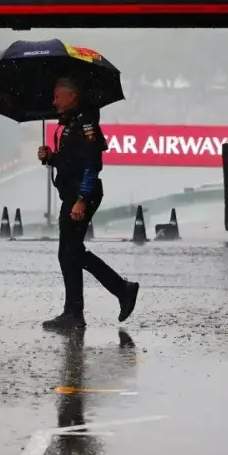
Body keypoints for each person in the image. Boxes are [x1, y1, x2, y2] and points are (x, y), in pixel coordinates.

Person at [37, 76, 139, 331]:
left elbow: (93, 164)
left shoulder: (86, 123)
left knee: (71, 252)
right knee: (69, 253)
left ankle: (114, 293)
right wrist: (51, 157)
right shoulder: (71, 122)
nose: (54, 102)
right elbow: (71, 160)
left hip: (83, 194)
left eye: (58, 97)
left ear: (71, 96)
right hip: (72, 193)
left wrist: (82, 200)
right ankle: (75, 311)